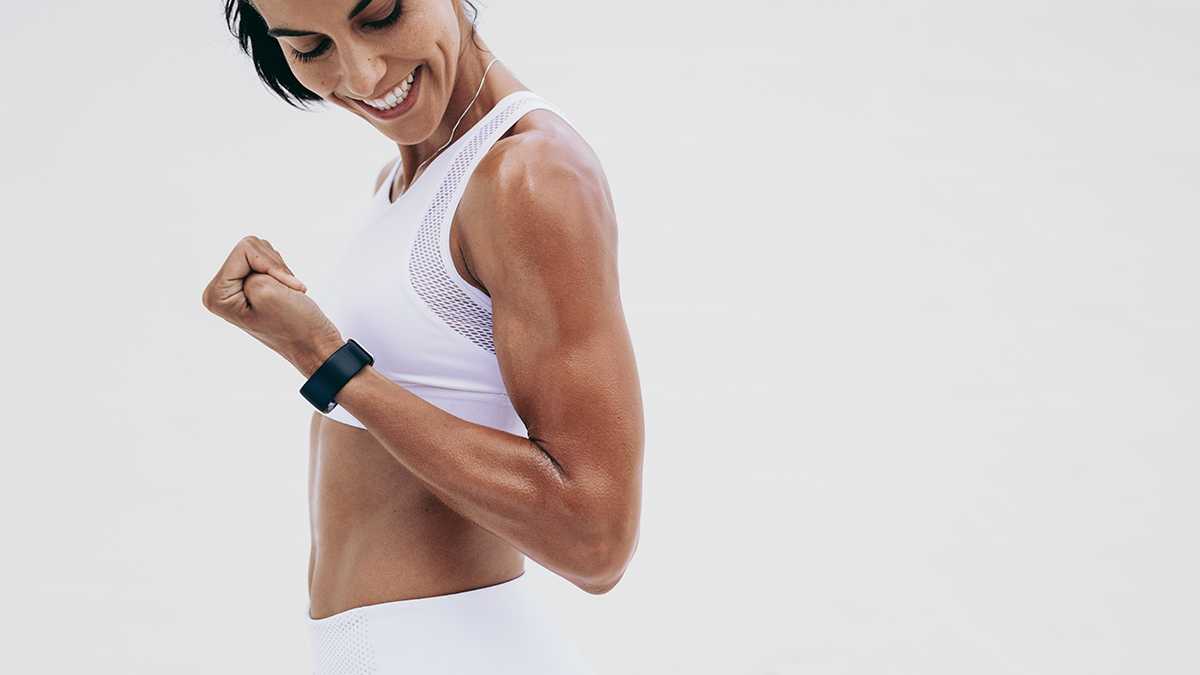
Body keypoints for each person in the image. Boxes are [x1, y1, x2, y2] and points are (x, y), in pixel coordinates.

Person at [202, 1, 645, 672]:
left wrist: (324, 359)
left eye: (380, 16)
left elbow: (595, 540)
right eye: (311, 49)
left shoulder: (527, 175)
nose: (362, 73)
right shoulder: (407, 178)